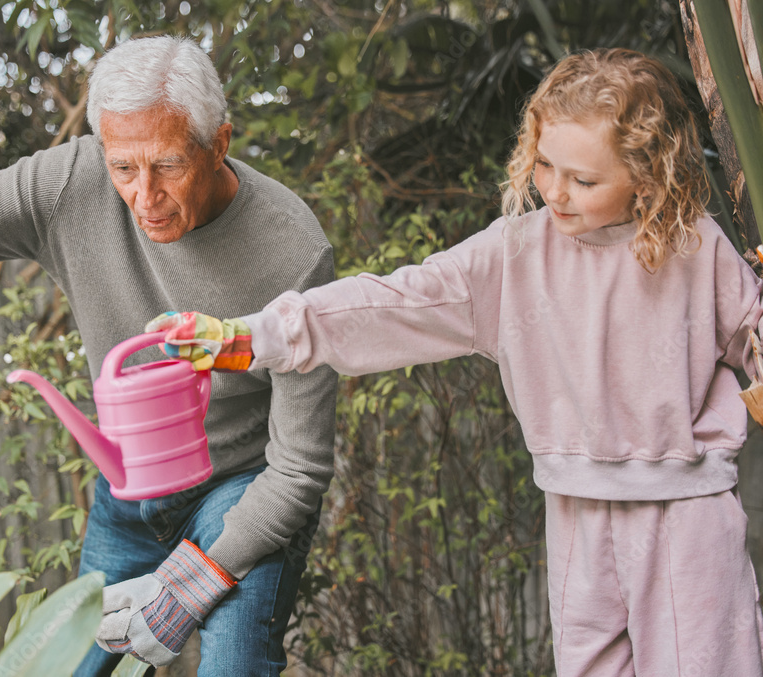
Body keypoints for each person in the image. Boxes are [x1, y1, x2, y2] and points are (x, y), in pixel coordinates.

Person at [151, 48, 763, 675]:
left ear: (647, 173)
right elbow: (395, 302)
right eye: (546, 164)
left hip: (686, 514)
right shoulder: (516, 256)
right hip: (576, 508)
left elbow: (753, 331)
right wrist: (252, 337)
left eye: (584, 180)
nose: (554, 190)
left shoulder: (696, 248)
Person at [0, 35, 338, 675]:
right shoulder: (69, 183)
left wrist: (198, 577)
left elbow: (298, 469)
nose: (144, 196)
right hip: (130, 480)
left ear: (220, 144)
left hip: (245, 487)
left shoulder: (292, 252)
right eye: (124, 168)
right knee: (74, 666)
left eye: (169, 164)